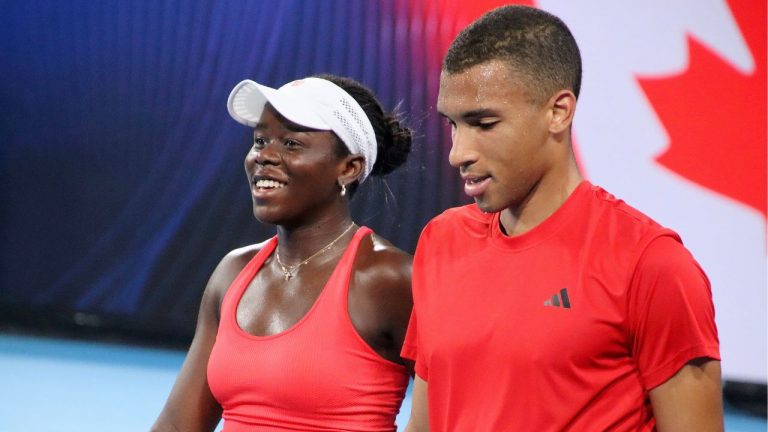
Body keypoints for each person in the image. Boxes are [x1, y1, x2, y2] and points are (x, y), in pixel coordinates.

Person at [402, 5, 722, 431]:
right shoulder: (440, 241)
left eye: (484, 123)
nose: (458, 152)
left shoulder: (653, 264)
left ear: (558, 112)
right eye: (454, 125)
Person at [152, 74, 414, 431]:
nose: (264, 156)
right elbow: (178, 425)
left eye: (291, 143)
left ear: (348, 168)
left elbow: (453, 413)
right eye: (260, 140)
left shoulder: (390, 279)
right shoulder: (233, 272)